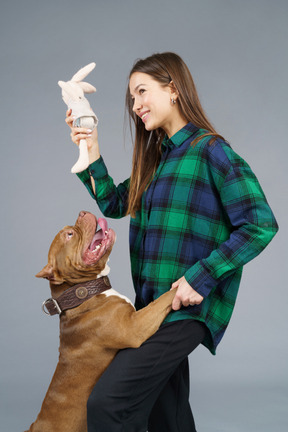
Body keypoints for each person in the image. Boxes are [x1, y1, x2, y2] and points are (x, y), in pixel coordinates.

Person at [65, 52, 278, 432]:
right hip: (151, 309)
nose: (136, 105)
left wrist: (201, 277)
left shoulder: (210, 150)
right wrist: (89, 145)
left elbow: (260, 224)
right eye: (132, 98)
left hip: (184, 309)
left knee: (108, 404)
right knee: (169, 416)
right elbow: (115, 202)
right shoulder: (157, 160)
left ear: (174, 89)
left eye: (142, 91)